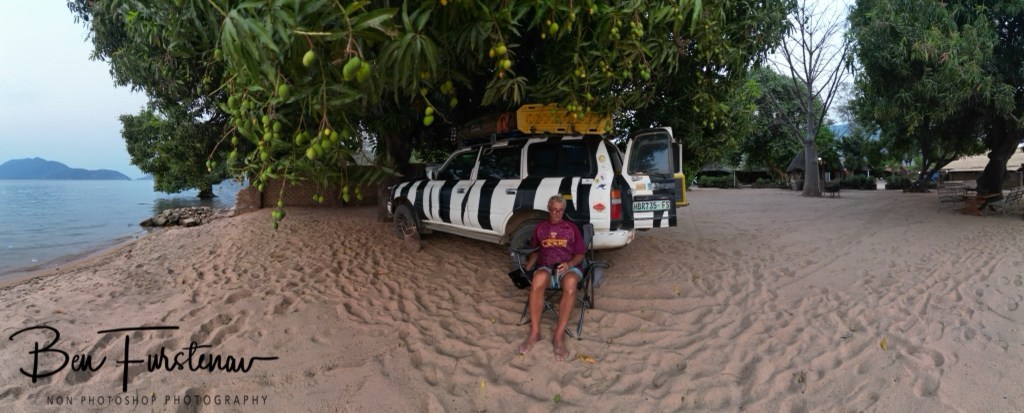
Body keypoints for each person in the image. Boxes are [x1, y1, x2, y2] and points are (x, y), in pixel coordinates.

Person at [518, 195, 586, 360]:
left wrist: (569, 264)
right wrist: (527, 267)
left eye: (561, 210)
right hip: (547, 267)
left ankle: (559, 336)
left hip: (569, 268)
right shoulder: (541, 228)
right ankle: (535, 332)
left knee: (570, 282)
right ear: (549, 209)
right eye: (554, 210)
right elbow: (535, 251)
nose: (557, 213)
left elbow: (580, 254)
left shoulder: (571, 228)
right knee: (538, 279)